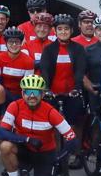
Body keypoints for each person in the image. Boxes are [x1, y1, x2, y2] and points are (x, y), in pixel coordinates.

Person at [0, 73, 77, 176]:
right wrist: (26, 139)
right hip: (24, 148)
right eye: (28, 92)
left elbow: (72, 139)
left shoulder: (50, 112)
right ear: (22, 94)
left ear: (42, 94)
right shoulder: (15, 106)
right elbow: (2, 132)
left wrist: (59, 158)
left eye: (36, 92)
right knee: (5, 146)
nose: (32, 96)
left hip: (45, 153)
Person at [36, 12, 88, 140]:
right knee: (51, 126)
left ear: (71, 30)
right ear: (54, 30)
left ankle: (76, 154)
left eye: (66, 29)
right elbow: (45, 71)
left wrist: (77, 88)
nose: (63, 32)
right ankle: (54, 153)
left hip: (72, 92)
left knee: (74, 125)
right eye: (60, 29)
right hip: (52, 92)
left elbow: (80, 71)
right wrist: (46, 89)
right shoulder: (49, 50)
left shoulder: (79, 49)